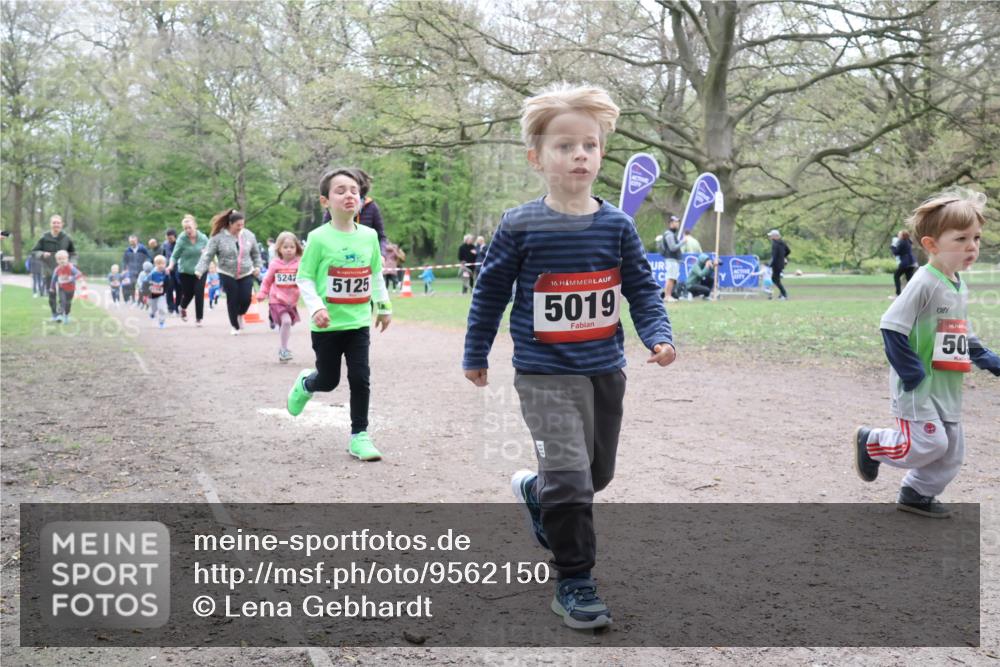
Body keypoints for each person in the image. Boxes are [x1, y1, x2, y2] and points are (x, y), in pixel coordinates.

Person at [463, 85, 675, 630]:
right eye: (564, 146)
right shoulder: (520, 225)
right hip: (543, 373)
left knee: (595, 475)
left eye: (590, 144)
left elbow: (643, 290)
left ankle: (536, 491)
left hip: (604, 369)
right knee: (572, 480)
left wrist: (657, 334)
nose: (580, 154)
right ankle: (574, 581)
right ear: (538, 158)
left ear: (602, 154)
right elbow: (489, 293)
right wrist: (476, 351)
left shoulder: (617, 226)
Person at [854, 190, 1000, 518]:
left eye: (976, 237)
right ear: (931, 244)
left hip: (947, 384)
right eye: (961, 238)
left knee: (951, 453)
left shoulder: (956, 284)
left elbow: (958, 330)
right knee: (928, 445)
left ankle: (916, 493)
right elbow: (891, 325)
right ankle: (872, 442)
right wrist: (912, 373)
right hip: (919, 384)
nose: (972, 246)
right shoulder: (924, 282)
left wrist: (987, 358)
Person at [286, 168, 392, 461]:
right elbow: (305, 278)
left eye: (354, 190)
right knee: (329, 380)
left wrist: (383, 306)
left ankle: (360, 435)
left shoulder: (369, 237)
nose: (349, 195)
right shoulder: (318, 238)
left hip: (357, 322)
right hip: (327, 325)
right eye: (341, 190)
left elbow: (375, 274)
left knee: (360, 377)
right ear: (325, 201)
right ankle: (307, 383)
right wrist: (317, 306)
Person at [194, 209, 262, 335]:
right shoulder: (218, 238)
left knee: (246, 298)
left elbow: (256, 254)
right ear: (230, 224)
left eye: (242, 225)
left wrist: (257, 266)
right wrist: (199, 270)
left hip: (246, 271)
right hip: (227, 272)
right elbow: (208, 255)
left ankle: (240, 314)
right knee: (232, 299)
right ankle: (234, 326)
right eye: (238, 225)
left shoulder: (249, 235)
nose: (240, 228)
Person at [258, 231, 303, 363]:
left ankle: (275, 324)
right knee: (287, 321)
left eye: (292, 247)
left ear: (297, 248)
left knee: (288, 323)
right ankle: (283, 349)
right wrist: (262, 293)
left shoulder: (300, 264)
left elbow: (305, 280)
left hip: (291, 301)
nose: (289, 250)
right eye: (285, 247)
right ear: (279, 249)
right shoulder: (275, 264)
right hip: (276, 299)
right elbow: (267, 280)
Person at [30, 215, 76, 321]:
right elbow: (34, 251)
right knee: (51, 293)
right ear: (51, 224)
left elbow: (73, 253)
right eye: (54, 223)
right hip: (48, 270)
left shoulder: (66, 238)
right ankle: (54, 314)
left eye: (58, 223)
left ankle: (61, 314)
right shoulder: (44, 237)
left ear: (61, 224)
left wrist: (72, 264)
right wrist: (42, 254)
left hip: (64, 272)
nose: (56, 225)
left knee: (64, 294)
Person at [168, 215, 209, 325]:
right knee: (188, 294)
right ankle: (182, 307)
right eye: (185, 228)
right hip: (185, 271)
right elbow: (174, 256)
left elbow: (210, 252)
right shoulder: (181, 239)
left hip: (201, 269)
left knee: (199, 291)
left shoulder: (203, 238)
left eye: (189, 227)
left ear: (195, 226)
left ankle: (199, 318)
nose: (187, 230)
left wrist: (213, 262)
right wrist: (170, 266)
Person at [49, 250, 81, 323]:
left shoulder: (70, 267)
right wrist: (52, 287)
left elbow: (79, 274)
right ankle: (59, 315)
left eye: (63, 258)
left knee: (68, 303)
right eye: (59, 259)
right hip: (62, 288)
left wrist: (71, 278)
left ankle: (66, 316)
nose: (62, 261)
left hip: (71, 289)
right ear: (57, 261)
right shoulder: (57, 269)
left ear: (67, 259)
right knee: (61, 301)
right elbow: (54, 279)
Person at [658, 214, 683, 301]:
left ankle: (668, 296)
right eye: (675, 222)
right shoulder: (669, 234)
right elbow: (673, 247)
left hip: (673, 260)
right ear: (671, 223)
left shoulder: (671, 234)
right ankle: (667, 296)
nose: (677, 224)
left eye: (678, 222)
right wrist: (683, 242)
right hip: (671, 259)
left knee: (672, 278)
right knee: (670, 278)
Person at [122, 235, 152, 303]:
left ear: (136, 240)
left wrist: (146, 264)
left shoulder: (142, 249)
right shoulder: (127, 250)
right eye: (130, 241)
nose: (132, 243)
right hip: (131, 270)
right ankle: (133, 299)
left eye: (133, 241)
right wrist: (124, 269)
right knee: (132, 284)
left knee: (141, 285)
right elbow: (124, 260)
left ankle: (140, 300)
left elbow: (148, 257)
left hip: (141, 270)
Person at [891, 229, 918, 298]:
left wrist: (893, 247)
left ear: (903, 235)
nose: (898, 235)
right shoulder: (908, 242)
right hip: (911, 263)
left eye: (899, 234)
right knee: (909, 279)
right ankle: (913, 294)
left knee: (896, 276)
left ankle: (898, 294)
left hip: (905, 263)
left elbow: (896, 252)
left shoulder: (902, 242)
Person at [767, 229, 791, 300]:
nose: (770, 237)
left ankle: (784, 294)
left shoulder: (775, 244)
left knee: (775, 279)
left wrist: (769, 264)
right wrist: (783, 256)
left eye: (771, 236)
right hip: (781, 264)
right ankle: (782, 294)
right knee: (776, 279)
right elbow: (788, 251)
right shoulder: (783, 242)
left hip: (776, 264)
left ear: (775, 236)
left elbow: (774, 256)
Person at [147, 255, 170, 328]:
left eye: (162, 263)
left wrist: (166, 277)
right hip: (152, 295)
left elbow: (168, 283)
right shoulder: (152, 273)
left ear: (165, 264)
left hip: (161, 294)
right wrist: (152, 284)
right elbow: (146, 282)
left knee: (162, 308)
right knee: (153, 308)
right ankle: (152, 313)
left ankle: (161, 322)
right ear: (155, 264)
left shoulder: (166, 273)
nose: (161, 265)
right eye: (158, 263)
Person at [162, 228, 179, 314]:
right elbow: (164, 255)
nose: (169, 240)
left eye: (171, 238)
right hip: (168, 270)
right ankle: (170, 307)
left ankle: (177, 307)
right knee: (169, 289)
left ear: (175, 237)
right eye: (168, 238)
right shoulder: (165, 244)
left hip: (179, 269)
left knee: (179, 289)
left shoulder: (180, 243)